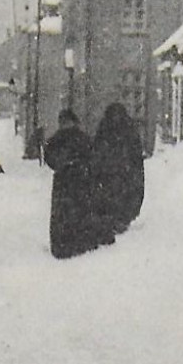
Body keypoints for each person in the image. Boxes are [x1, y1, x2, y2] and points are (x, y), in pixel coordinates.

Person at [42, 110, 109, 258]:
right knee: (80, 212)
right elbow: (94, 157)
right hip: (81, 180)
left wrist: (62, 165)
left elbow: (49, 156)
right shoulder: (83, 138)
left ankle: (61, 246)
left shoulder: (56, 139)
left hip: (63, 182)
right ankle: (79, 244)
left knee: (62, 214)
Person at [92, 102, 145, 236]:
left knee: (113, 195)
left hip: (113, 174)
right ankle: (119, 219)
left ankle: (114, 219)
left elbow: (97, 150)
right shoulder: (129, 129)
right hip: (121, 173)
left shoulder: (104, 128)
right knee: (120, 195)